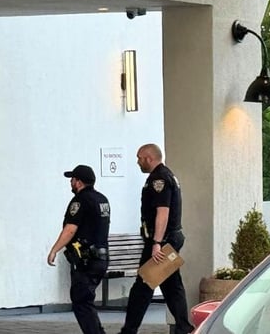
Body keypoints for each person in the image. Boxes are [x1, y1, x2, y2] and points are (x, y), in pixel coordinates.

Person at [119, 143, 193, 334]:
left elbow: (163, 212)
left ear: (149, 158)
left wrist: (156, 243)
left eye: (139, 158)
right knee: (171, 285)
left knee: (143, 284)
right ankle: (184, 328)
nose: (137, 162)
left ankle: (129, 330)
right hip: (169, 239)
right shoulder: (167, 175)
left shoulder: (159, 179)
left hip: (163, 241)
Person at [48, 164, 111, 334]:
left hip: (86, 261)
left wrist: (55, 249)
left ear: (79, 182)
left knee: (81, 302)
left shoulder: (80, 200)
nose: (70, 182)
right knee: (86, 301)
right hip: (101, 258)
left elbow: (70, 229)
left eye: (72, 179)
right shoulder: (102, 199)